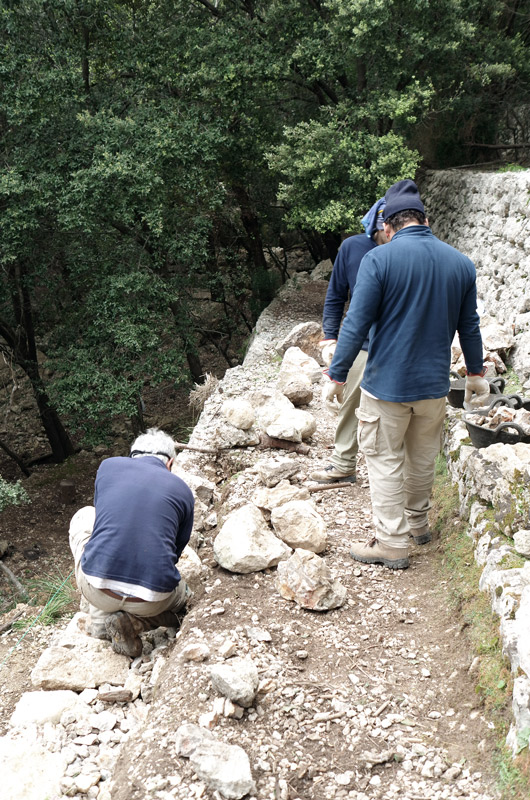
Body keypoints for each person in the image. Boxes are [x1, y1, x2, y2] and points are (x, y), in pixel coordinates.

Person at [323, 179, 490, 570]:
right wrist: (477, 373)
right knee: (421, 458)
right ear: (426, 220)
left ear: (387, 227)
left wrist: (336, 374)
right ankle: (418, 525)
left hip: (386, 387)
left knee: (383, 459)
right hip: (433, 387)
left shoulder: (378, 261)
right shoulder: (461, 264)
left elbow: (356, 323)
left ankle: (392, 543)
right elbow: (470, 325)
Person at [69, 428, 194, 657]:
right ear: (170, 464)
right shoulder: (182, 490)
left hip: (96, 590)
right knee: (186, 604)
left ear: (132, 456)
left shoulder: (108, 466)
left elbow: (100, 525)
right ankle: (136, 623)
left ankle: (99, 620)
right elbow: (175, 552)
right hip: (151, 600)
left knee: (85, 515)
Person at [310, 197, 387, 484]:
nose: (387, 236)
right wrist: (329, 338)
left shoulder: (404, 252)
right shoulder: (353, 248)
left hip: (394, 341)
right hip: (361, 341)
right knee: (349, 402)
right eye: (382, 230)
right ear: (373, 227)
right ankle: (344, 462)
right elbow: (336, 295)